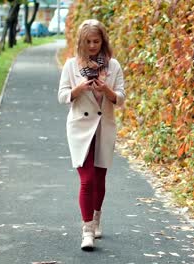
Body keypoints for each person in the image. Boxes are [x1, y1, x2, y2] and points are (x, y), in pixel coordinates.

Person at [57, 19, 125, 251]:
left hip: (104, 126)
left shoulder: (113, 66)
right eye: (88, 41)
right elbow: (62, 95)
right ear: (81, 42)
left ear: (103, 41)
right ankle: (87, 230)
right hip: (80, 128)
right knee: (86, 180)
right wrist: (78, 90)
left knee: (99, 179)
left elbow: (122, 98)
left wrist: (107, 91)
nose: (93, 45)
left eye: (96, 41)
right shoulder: (71, 66)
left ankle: (96, 218)